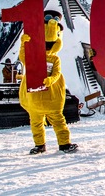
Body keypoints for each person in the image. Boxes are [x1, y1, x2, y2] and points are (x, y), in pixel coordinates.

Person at [19, 9, 78, 154]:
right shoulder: (34, 55)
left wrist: (50, 80)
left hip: (50, 95)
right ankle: (40, 145)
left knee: (56, 121)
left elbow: (57, 73)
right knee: (37, 122)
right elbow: (23, 59)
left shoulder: (54, 59)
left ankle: (64, 144)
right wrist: (23, 44)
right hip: (36, 96)